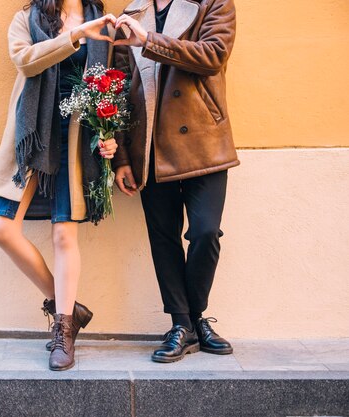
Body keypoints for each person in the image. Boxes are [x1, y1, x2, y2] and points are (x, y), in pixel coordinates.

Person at [0, 0, 117, 371]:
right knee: (1, 229)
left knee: (64, 236)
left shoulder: (102, 22)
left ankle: (63, 331)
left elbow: (113, 87)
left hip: (77, 138)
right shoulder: (25, 19)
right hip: (33, 135)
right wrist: (74, 36)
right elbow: (25, 60)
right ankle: (67, 308)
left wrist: (112, 139)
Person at [112, 0, 238, 363]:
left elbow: (213, 55)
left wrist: (149, 40)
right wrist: (121, 157)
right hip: (148, 143)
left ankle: (195, 317)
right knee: (163, 237)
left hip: (203, 141)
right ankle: (181, 324)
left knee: (205, 232)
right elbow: (118, 90)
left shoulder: (213, 4)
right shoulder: (131, 14)